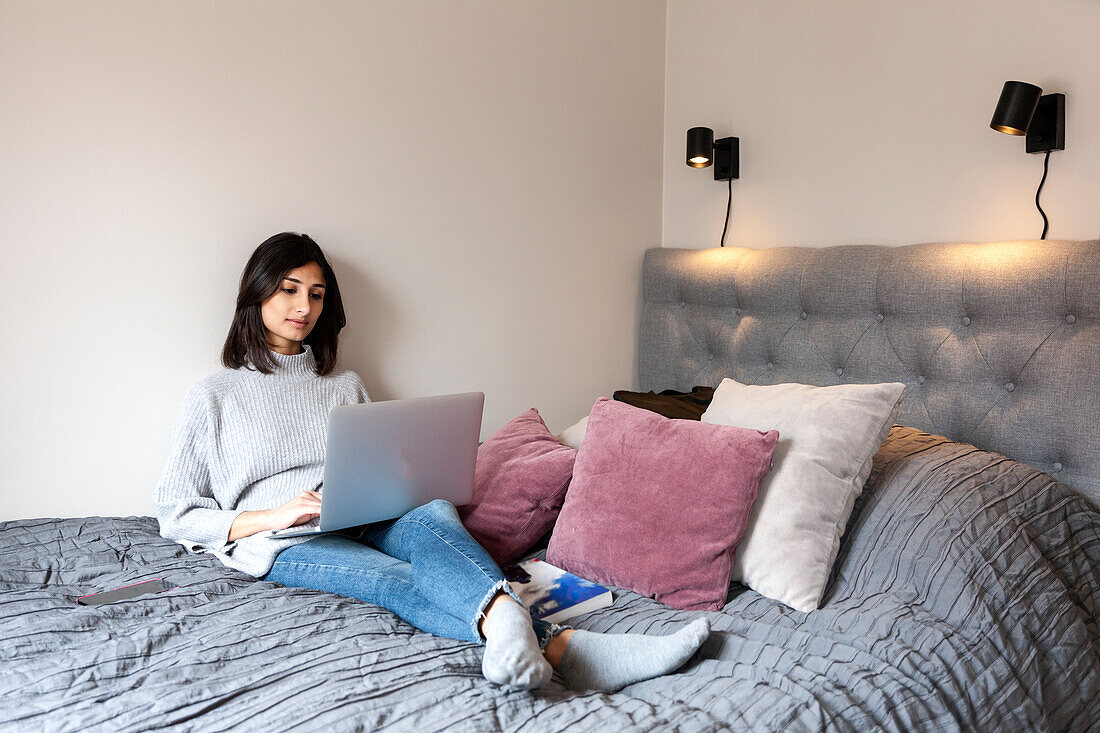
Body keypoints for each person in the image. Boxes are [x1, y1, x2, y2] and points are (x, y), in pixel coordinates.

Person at [155, 232, 710, 692]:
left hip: (359, 513)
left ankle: (513, 629)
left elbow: (376, 460)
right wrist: (269, 516)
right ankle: (566, 648)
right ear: (256, 293)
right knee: (399, 580)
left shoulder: (344, 384)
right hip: (281, 540)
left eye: (318, 295)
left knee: (436, 515)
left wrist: (404, 481)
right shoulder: (215, 394)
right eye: (288, 290)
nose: (304, 307)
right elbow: (176, 513)